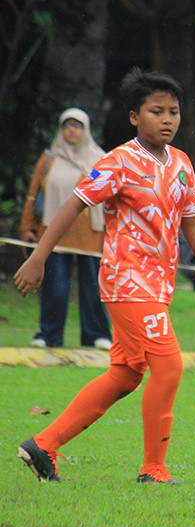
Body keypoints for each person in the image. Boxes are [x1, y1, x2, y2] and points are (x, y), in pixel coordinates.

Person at [13, 68, 195, 484]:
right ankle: (154, 469)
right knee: (169, 367)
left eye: (174, 111)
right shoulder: (119, 162)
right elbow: (73, 206)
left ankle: (44, 444)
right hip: (127, 282)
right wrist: (39, 257)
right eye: (156, 111)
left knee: (127, 374)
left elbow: (193, 225)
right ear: (134, 117)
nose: (167, 119)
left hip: (157, 286)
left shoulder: (182, 164)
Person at [19, 108, 112, 350]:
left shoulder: (99, 159)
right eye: (68, 125)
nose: (72, 130)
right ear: (61, 129)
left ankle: (97, 334)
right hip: (53, 232)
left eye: (78, 125)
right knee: (55, 285)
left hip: (90, 232)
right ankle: (49, 335)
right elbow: (33, 195)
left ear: (86, 130)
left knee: (93, 285)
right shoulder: (50, 158)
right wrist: (27, 226)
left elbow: (107, 195)